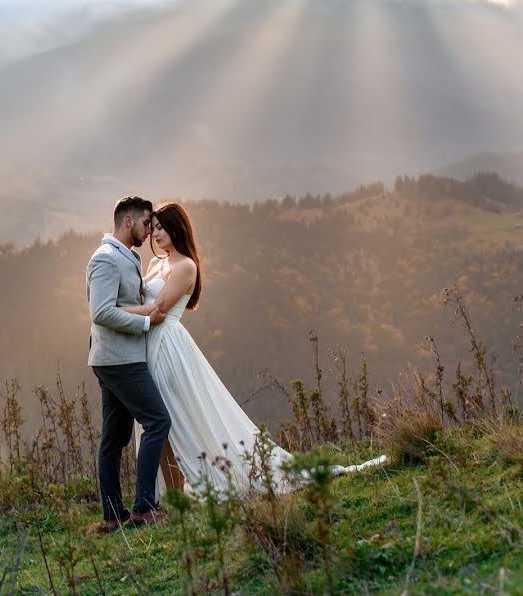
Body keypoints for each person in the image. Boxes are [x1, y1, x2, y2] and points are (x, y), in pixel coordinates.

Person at [124, 202, 387, 497]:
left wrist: (116, 312)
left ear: (177, 228)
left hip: (168, 346)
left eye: (161, 227)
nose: (155, 234)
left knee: (169, 419)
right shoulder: (154, 264)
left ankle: (191, 487)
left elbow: (160, 309)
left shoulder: (186, 266)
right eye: (153, 228)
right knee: (156, 422)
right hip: (147, 344)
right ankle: (170, 495)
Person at [87, 196, 171, 532]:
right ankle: (143, 508)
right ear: (128, 222)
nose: (149, 229)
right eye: (146, 222)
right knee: (157, 421)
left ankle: (112, 515)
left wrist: (141, 311)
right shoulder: (106, 259)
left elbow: (122, 303)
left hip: (114, 358)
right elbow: (101, 312)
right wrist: (147, 321)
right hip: (119, 360)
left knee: (115, 438)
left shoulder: (127, 256)